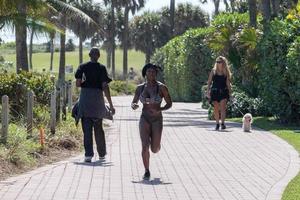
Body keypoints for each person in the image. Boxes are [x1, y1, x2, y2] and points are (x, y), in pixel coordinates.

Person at [131, 63, 172, 180]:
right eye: (149, 71)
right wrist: (134, 105)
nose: (151, 73)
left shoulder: (162, 87)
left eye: (153, 72)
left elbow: (169, 103)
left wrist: (161, 109)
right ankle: (147, 171)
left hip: (157, 119)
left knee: (154, 149)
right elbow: (134, 102)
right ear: (145, 73)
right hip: (144, 118)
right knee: (144, 146)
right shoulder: (140, 88)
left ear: (156, 74)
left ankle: (156, 145)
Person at [75, 47, 115, 162]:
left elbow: (78, 84)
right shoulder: (101, 68)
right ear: (98, 56)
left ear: (89, 55)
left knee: (87, 128)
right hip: (98, 100)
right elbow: (105, 86)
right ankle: (102, 154)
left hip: (85, 99)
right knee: (98, 128)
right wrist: (111, 105)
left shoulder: (82, 67)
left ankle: (88, 155)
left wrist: (85, 82)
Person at [206, 56, 232, 130]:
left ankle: (223, 123)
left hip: (223, 91)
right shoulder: (213, 71)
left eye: (219, 62)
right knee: (216, 108)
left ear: (223, 63)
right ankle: (217, 123)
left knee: (223, 108)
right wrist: (207, 91)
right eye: (217, 62)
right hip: (215, 91)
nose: (218, 63)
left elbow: (228, 83)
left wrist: (230, 93)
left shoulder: (226, 72)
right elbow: (209, 82)